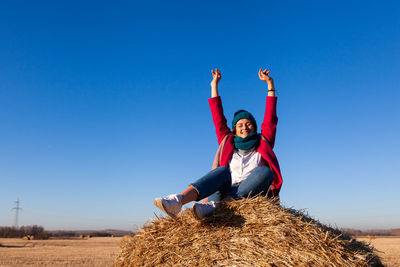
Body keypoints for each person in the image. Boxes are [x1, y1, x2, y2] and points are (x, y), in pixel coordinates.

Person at [154, 67, 283, 219]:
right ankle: (178, 201)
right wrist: (214, 85)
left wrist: (270, 85)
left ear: (254, 127)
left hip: (249, 195)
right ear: (235, 129)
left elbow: (270, 118)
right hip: (222, 192)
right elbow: (218, 117)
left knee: (265, 172)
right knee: (222, 171)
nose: (244, 127)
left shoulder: (263, 142)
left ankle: (218, 208)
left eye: (248, 124)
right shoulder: (227, 141)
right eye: (240, 125)